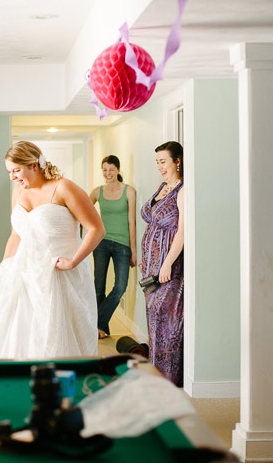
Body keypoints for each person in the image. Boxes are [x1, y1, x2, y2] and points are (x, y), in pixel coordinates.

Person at [0, 141, 105, 360]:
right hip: (26, 275)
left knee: (58, 338)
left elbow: (96, 229)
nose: (12, 177)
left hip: (61, 274)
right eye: (9, 172)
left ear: (33, 165)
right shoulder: (18, 192)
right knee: (21, 337)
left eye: (16, 170)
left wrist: (73, 261)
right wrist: (6, 270)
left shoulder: (64, 187)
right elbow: (16, 235)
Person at [139, 141, 184, 386]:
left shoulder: (183, 190)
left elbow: (182, 232)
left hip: (168, 266)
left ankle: (169, 377)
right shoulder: (162, 187)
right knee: (153, 317)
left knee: (168, 319)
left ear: (177, 161)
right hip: (150, 266)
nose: (159, 166)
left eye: (163, 161)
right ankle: (156, 373)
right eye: (157, 162)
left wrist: (167, 263)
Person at [90, 155, 137, 339]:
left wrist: (133, 250)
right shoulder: (97, 192)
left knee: (120, 287)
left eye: (111, 169)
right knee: (99, 287)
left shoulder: (129, 191)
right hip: (101, 243)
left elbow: (131, 222)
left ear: (118, 170)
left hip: (122, 245)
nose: (107, 173)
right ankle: (101, 329)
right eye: (104, 169)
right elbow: (82, 209)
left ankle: (95, 324)